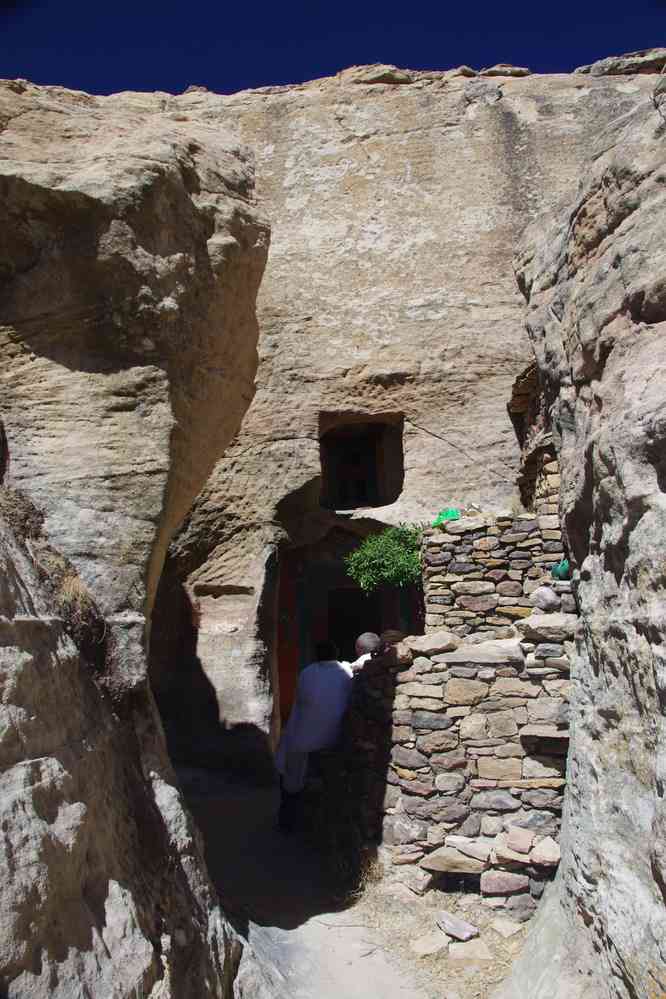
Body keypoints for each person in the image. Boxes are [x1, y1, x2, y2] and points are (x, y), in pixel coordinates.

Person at [275, 638, 353, 831]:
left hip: (304, 738)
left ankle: (287, 818)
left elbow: (301, 705)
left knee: (290, 770)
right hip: (334, 737)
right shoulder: (346, 674)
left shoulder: (307, 673)